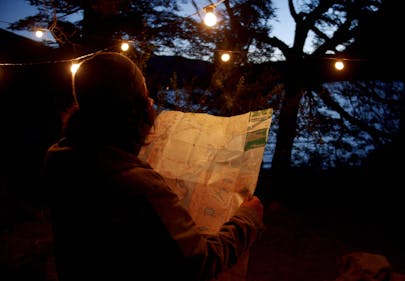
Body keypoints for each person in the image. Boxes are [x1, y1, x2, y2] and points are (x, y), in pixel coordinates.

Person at [43, 52, 265, 281]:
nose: (151, 106)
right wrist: (248, 219)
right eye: (146, 98)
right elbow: (200, 262)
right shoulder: (136, 186)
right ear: (135, 112)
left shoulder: (62, 159)